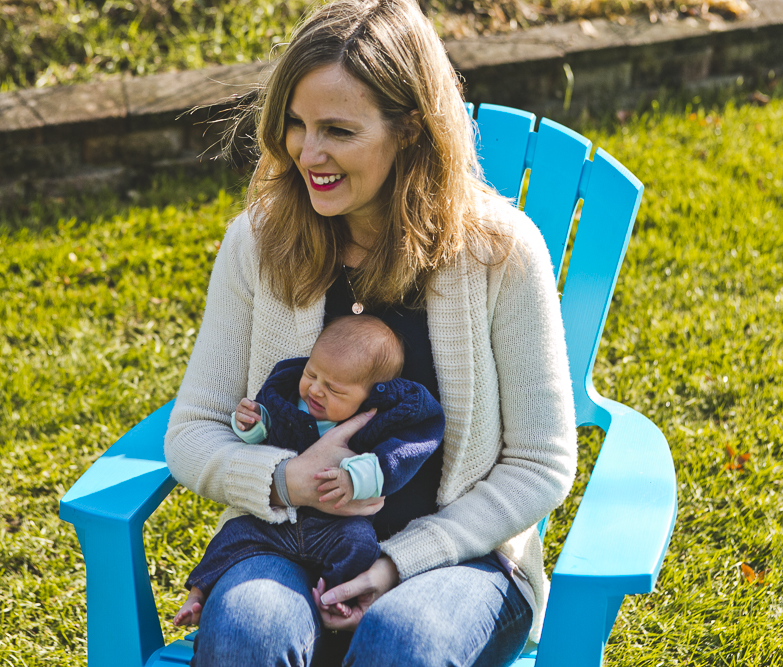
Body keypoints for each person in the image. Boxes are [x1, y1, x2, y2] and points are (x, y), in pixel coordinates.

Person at [165, 0, 578, 663]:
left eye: (338, 130)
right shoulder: (259, 242)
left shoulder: (501, 255)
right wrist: (285, 480)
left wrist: (396, 563)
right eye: (296, 125)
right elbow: (192, 431)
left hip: (458, 560)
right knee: (247, 628)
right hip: (288, 542)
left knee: (401, 641)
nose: (309, 152)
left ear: (410, 129)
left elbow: (541, 463)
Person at [174, 314, 445, 627]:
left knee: (359, 543)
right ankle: (197, 593)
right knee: (234, 534)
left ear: (370, 394)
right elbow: (266, 435)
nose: (315, 391)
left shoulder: (374, 423)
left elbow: (400, 453)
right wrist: (250, 424)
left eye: (334, 389)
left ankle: (335, 598)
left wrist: (356, 478)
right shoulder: (289, 397)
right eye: (311, 374)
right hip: (278, 521)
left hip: (333, 528)